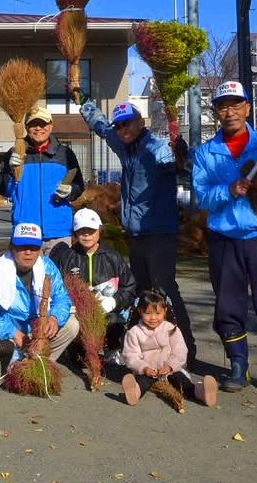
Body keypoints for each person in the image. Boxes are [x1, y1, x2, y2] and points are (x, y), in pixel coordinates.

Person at [192, 81, 257, 396]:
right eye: (223, 106)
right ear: (216, 112)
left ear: (247, 109)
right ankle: (238, 365)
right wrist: (228, 190)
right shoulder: (205, 153)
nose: (230, 112)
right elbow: (200, 197)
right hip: (224, 239)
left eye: (236, 104)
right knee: (228, 307)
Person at [80, 99, 196, 366]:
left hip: (159, 233)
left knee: (164, 290)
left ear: (140, 122)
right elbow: (102, 127)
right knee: (143, 292)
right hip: (135, 235)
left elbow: (182, 168)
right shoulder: (124, 147)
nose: (122, 130)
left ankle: (186, 351)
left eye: (127, 124)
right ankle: (149, 350)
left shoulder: (157, 149)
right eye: (119, 126)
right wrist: (82, 101)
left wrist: (180, 155)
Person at [0, 223, 79, 381]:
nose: (28, 252)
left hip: (36, 332)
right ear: (12, 248)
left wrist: (54, 317)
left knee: (71, 324)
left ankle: (40, 362)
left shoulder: (47, 267)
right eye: (22, 247)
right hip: (7, 337)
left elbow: (62, 298)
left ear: (40, 249)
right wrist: (13, 332)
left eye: (34, 247)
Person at [0, 106, 85, 254]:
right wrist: (12, 172)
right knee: (26, 277)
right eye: (33, 124)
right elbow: (3, 189)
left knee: (58, 276)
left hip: (58, 232)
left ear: (50, 126)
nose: (38, 128)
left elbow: (78, 185)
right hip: (25, 231)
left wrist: (70, 191)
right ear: (26, 127)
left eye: (43, 124)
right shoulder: (16, 152)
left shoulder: (65, 154)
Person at [50, 208, 137, 355]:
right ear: (75, 233)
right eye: (82, 231)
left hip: (107, 313)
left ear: (99, 230)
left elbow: (129, 287)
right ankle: (77, 350)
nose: (87, 235)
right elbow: (55, 289)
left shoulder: (112, 256)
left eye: (91, 230)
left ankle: (111, 349)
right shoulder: (66, 257)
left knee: (115, 320)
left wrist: (114, 302)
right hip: (77, 314)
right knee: (79, 356)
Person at [121, 290, 217, 407]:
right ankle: (134, 392)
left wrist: (171, 366)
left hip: (169, 370)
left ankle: (201, 392)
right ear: (140, 311)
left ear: (165, 311)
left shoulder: (171, 329)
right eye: (148, 313)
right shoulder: (134, 332)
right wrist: (143, 368)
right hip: (148, 370)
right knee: (143, 382)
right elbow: (130, 355)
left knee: (182, 382)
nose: (153, 318)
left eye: (158, 313)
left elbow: (180, 350)